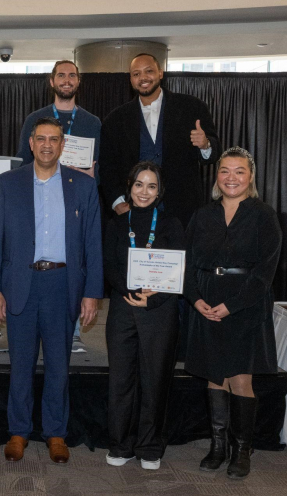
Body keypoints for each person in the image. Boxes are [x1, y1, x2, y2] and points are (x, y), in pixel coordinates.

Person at [0, 117, 103, 464]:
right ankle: (18, 431)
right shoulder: (10, 182)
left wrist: (92, 292)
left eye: (54, 139)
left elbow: (92, 244)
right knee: (20, 364)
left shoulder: (82, 185)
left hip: (62, 285)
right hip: (21, 284)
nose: (47, 145)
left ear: (63, 145)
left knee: (57, 365)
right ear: (31, 144)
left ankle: (55, 433)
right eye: (41, 139)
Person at [184, 147, 281, 480]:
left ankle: (242, 450)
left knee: (240, 378)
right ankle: (218, 447)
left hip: (246, 305)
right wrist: (196, 300)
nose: (231, 178)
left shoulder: (263, 214)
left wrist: (232, 306)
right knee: (214, 375)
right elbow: (186, 264)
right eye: (225, 171)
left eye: (239, 171)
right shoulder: (202, 215)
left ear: (250, 176)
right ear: (217, 176)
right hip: (207, 303)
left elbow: (265, 272)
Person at [102, 162, 185, 470]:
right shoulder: (116, 223)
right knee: (120, 381)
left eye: (151, 186)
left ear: (159, 191)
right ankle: (120, 444)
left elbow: (178, 270)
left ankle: (150, 446)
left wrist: (153, 298)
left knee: (154, 381)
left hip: (160, 311)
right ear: (130, 186)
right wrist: (132, 293)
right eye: (139, 184)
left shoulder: (171, 224)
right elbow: (109, 265)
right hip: (123, 308)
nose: (144, 191)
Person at [17, 59, 102, 354]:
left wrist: (92, 176)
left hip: (77, 199)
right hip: (42, 200)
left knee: (74, 259)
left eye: (72, 75)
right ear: (51, 81)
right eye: (61, 75)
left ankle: (74, 331)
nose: (67, 79)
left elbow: (99, 169)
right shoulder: (35, 119)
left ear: (79, 82)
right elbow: (21, 165)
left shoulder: (92, 122)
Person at [99, 53, 220, 230]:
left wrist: (205, 145)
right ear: (131, 79)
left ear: (161, 73)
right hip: (133, 215)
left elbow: (213, 154)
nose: (143, 78)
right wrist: (117, 202)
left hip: (182, 213)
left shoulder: (192, 107)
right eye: (136, 74)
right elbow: (107, 166)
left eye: (149, 71)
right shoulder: (115, 119)